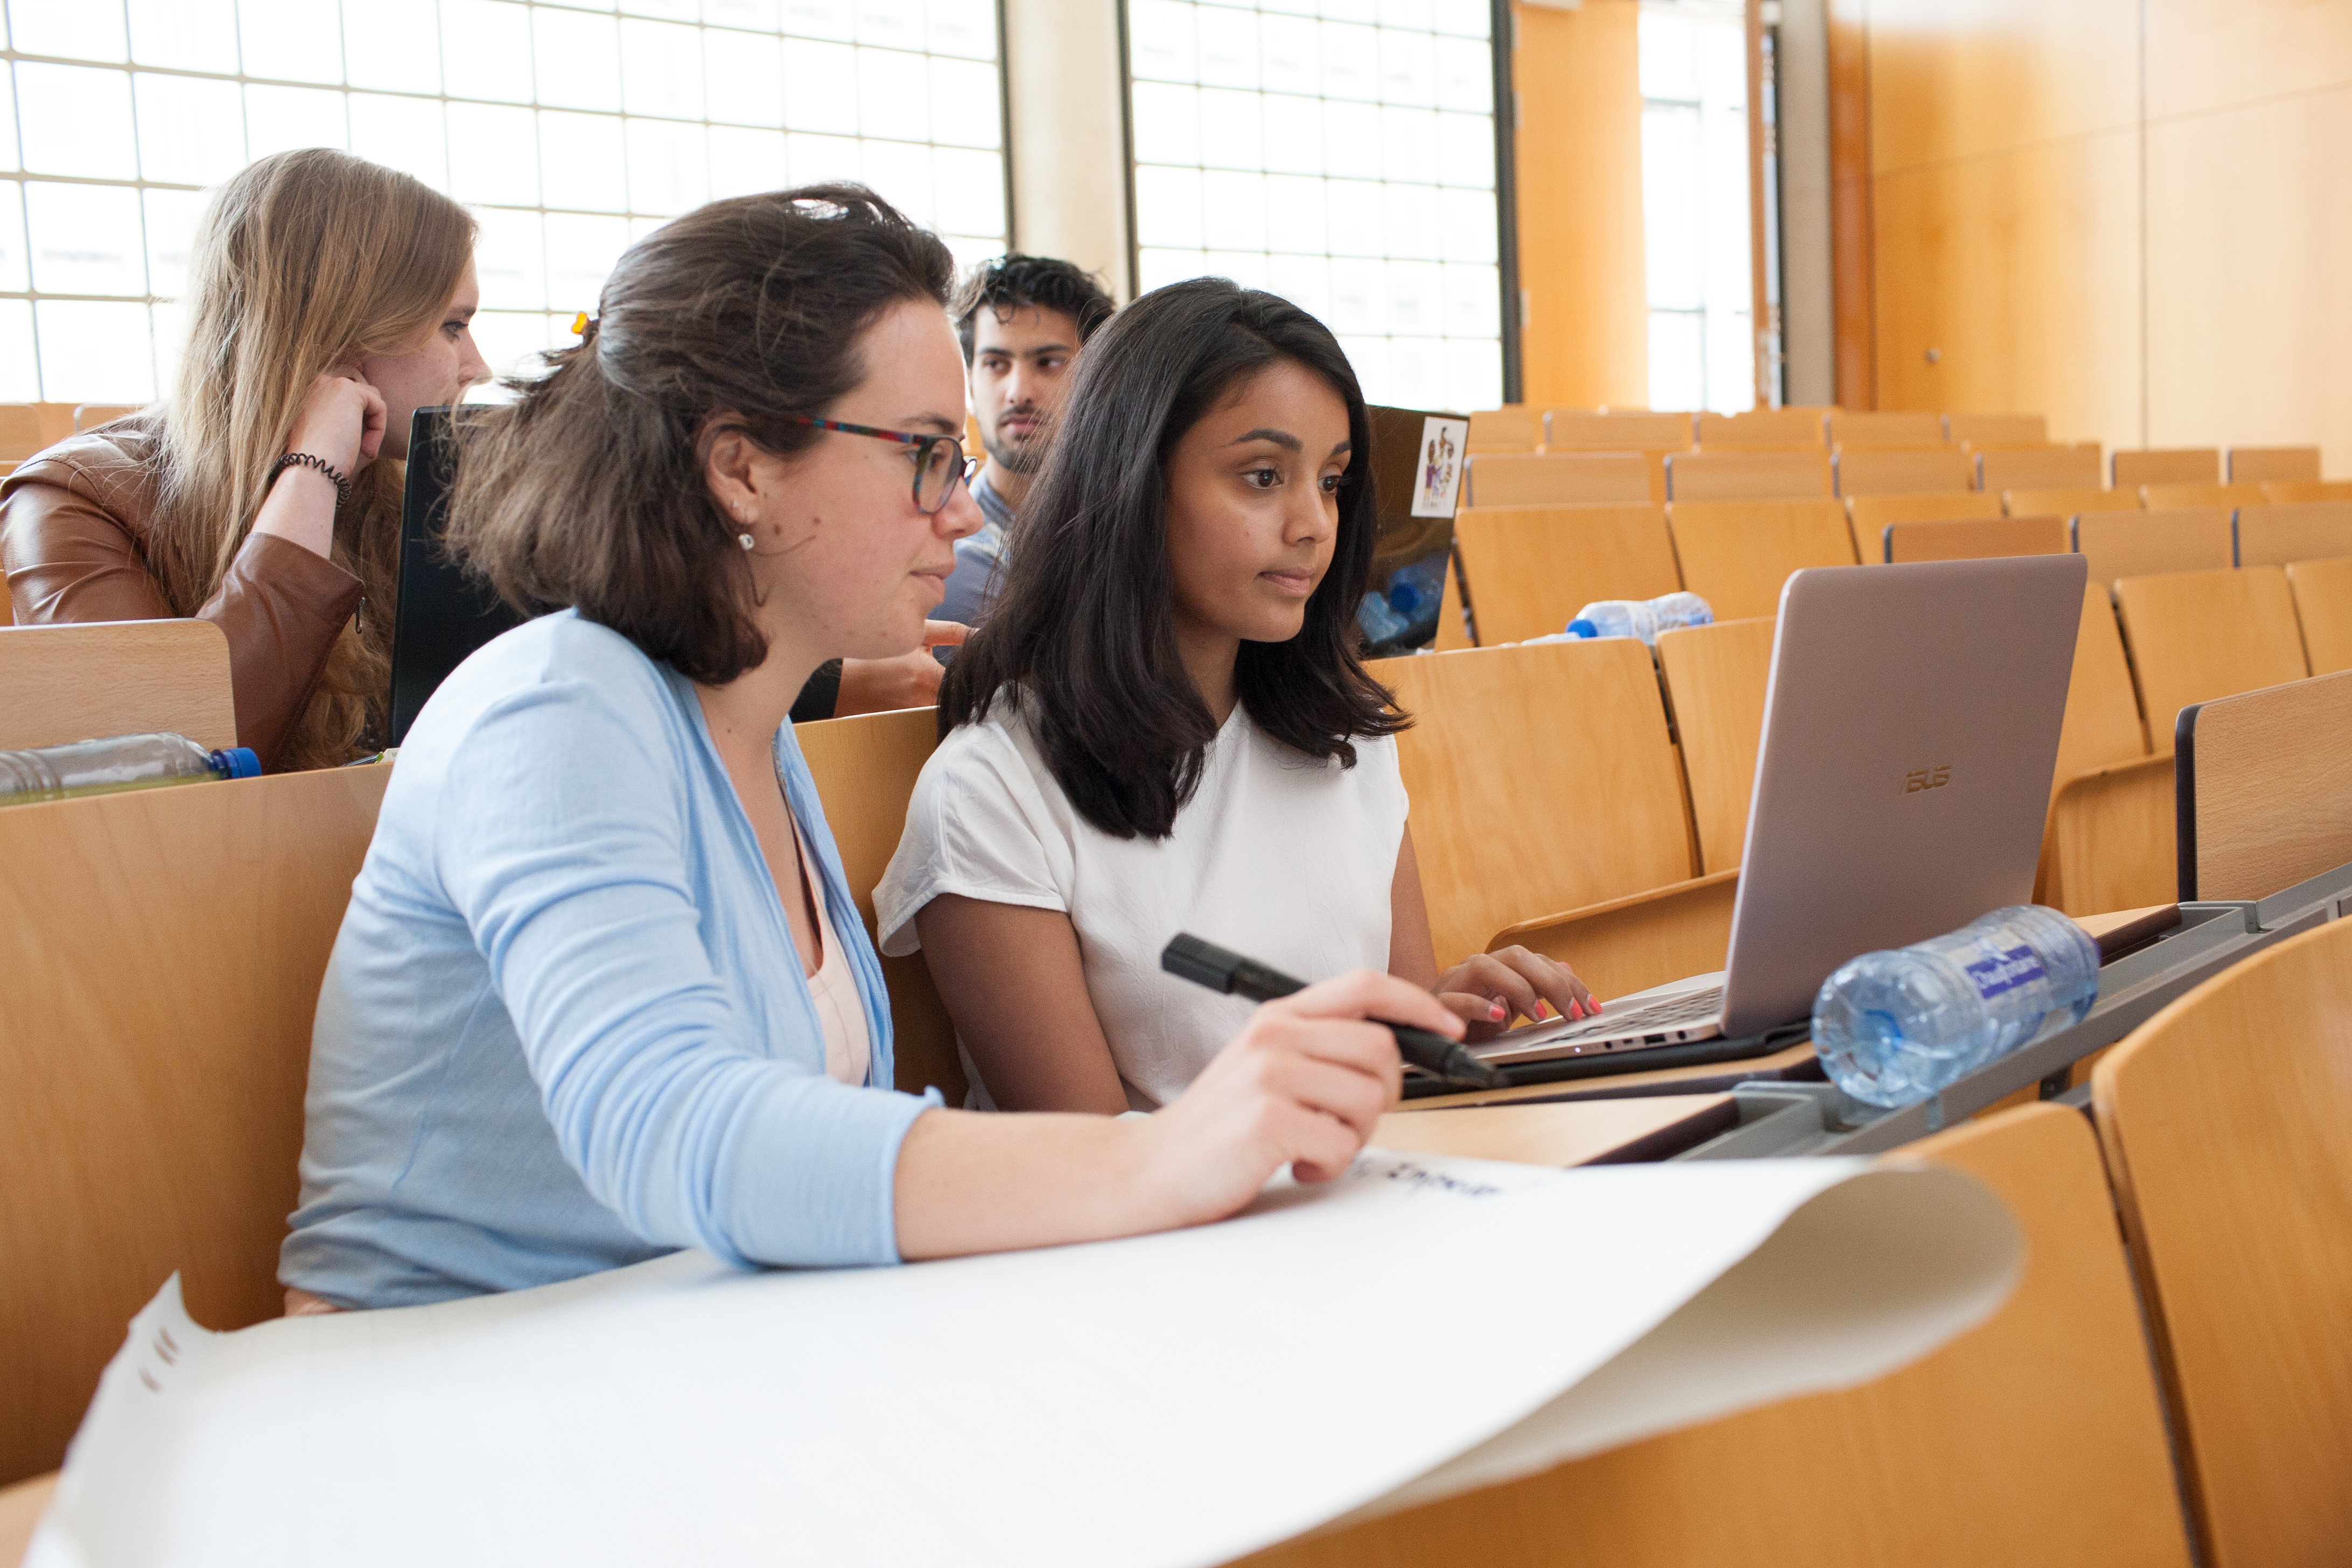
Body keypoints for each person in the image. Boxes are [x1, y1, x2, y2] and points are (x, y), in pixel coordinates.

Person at [277, 187, 1455, 1312]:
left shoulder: (753, 734)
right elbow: (668, 1125)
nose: (961, 507)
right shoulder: (551, 707)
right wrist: (1154, 1158)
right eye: (925, 452)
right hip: (440, 1384)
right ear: (741, 465)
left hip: (680, 1358)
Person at [874, 280, 1593, 1115]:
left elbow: (1399, 1065)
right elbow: (1095, 1165)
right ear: (1131, 480)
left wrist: (1440, 1024)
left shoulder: (1346, 739)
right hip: (1174, 1234)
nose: (1315, 524)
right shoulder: (991, 793)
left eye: (1330, 481)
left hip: (1372, 1197)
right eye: (1262, 476)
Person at [0, 149, 483, 772]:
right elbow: (165, 767)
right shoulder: (75, 497)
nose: (477, 366)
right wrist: (311, 474)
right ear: (340, 330)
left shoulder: (425, 483)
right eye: (453, 326)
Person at [934, 254, 1116, 627]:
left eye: (1048, 362)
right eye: (996, 364)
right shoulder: (951, 560)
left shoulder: (1133, 527)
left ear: (1098, 380)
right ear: (970, 381)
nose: (1018, 393)